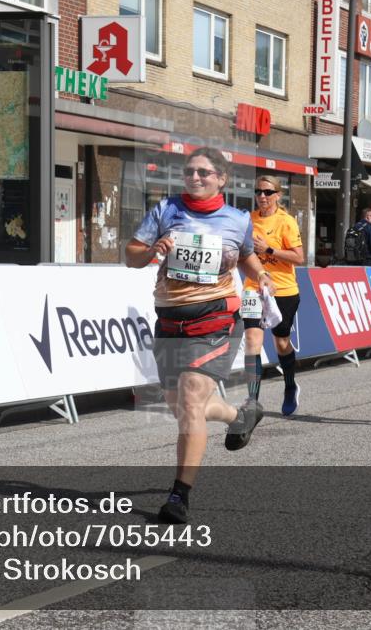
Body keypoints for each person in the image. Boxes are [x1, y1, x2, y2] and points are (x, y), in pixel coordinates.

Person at [125, 147, 275, 524]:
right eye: (190, 172)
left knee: (191, 399)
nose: (195, 178)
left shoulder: (238, 220)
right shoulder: (166, 210)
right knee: (182, 409)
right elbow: (131, 254)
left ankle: (179, 495)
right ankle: (238, 416)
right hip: (170, 319)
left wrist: (260, 274)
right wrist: (151, 251)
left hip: (215, 317)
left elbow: (243, 256)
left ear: (221, 179)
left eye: (204, 173)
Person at [242, 176, 305, 416]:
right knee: (252, 342)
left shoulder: (286, 222)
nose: (262, 196)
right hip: (254, 287)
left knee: (281, 343)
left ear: (278, 195)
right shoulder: (248, 219)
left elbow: (299, 258)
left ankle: (290, 386)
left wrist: (268, 249)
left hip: (284, 289)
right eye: (258, 191)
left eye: (268, 192)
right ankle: (252, 402)